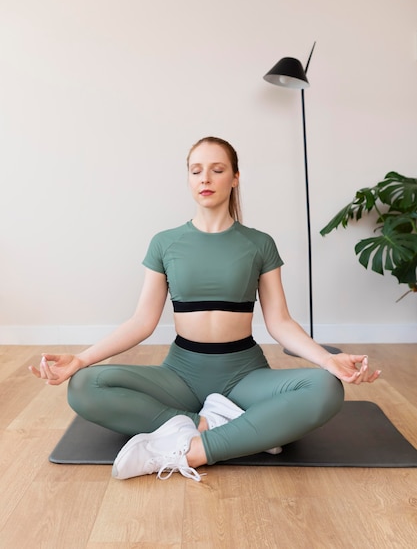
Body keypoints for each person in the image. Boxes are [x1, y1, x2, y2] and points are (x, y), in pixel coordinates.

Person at [29, 136, 381, 482]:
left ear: (235, 178)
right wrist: (81, 359)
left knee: (326, 388)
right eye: (196, 171)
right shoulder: (165, 242)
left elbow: (280, 321)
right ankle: (222, 426)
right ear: (188, 179)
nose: (205, 179)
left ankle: (195, 450)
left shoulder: (259, 243)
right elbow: (142, 321)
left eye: (217, 170)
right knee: (84, 386)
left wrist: (326, 360)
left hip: (244, 375)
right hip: (181, 375)